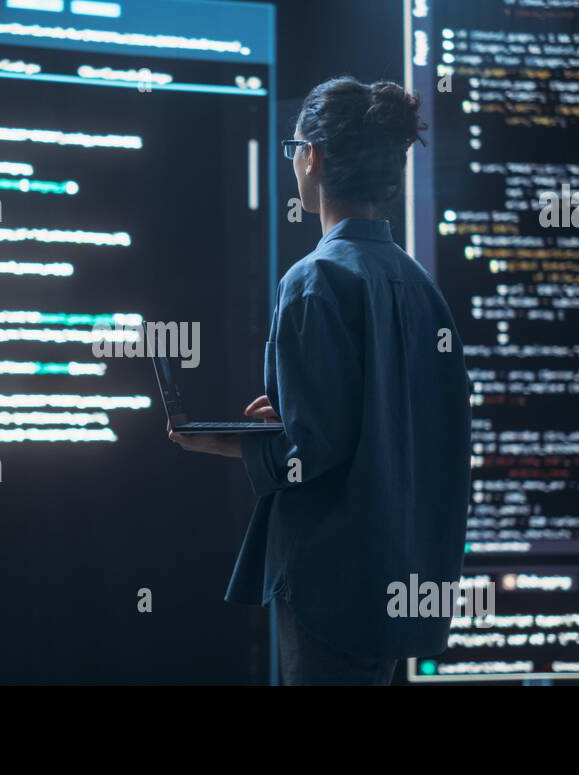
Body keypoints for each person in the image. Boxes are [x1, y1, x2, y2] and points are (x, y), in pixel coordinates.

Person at [169, 76, 471, 685]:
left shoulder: (313, 281)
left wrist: (226, 440)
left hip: (332, 582)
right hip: (397, 580)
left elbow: (313, 451)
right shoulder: (419, 286)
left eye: (295, 150)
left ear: (313, 156)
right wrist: (282, 427)